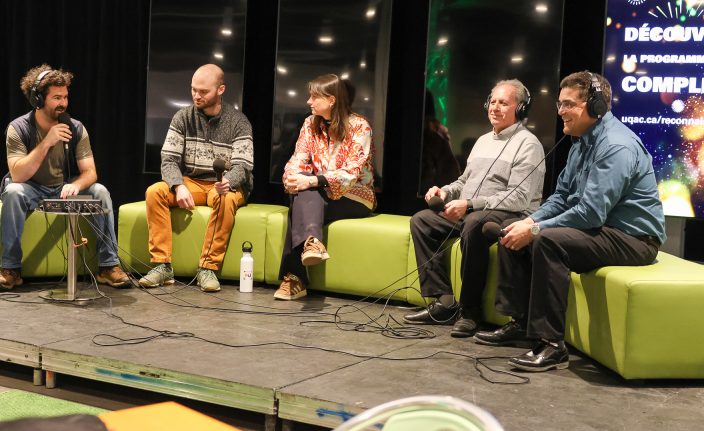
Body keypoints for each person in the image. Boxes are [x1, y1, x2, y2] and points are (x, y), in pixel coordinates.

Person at [474, 71, 667, 372]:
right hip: (602, 230)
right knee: (513, 231)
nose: (560, 111)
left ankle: (551, 345)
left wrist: (536, 229)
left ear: (596, 106)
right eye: (559, 104)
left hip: (634, 239)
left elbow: (591, 213)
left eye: (568, 105)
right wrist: (529, 221)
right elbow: (562, 197)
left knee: (548, 241)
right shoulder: (581, 142)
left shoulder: (616, 146)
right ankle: (520, 323)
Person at [406, 79, 545, 338]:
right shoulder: (482, 141)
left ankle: (470, 312)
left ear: (521, 108)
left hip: (510, 215)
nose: (495, 107)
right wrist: (445, 191)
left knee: (474, 223)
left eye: (503, 103)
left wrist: (470, 204)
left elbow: (519, 198)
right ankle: (444, 303)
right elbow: (463, 181)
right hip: (473, 211)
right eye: (492, 101)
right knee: (422, 220)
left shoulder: (529, 145)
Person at [0, 64, 129, 291]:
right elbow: (18, 175)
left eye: (65, 96)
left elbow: (90, 172)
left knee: (100, 191)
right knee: (13, 192)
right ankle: (11, 269)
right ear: (38, 99)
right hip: (30, 187)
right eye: (56, 97)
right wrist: (47, 142)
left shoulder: (75, 128)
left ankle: (108, 266)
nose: (63, 103)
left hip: (62, 187)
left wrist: (76, 185)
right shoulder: (19, 128)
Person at [139, 64, 254, 292]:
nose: (196, 95)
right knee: (155, 192)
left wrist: (228, 182)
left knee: (227, 199)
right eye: (193, 90)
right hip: (192, 182)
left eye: (203, 91)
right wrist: (178, 185)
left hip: (223, 184)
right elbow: (169, 159)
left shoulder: (238, 122)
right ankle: (162, 266)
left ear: (220, 90)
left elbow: (243, 166)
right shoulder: (182, 117)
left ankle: (207, 268)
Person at [275, 74, 376, 300]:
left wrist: (312, 180)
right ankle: (312, 245)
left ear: (331, 100)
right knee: (303, 189)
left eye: (314, 97)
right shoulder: (310, 124)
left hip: (355, 196)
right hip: (317, 194)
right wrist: (291, 179)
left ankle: (294, 279)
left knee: (304, 194)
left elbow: (351, 173)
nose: (309, 102)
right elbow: (296, 159)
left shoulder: (360, 127)